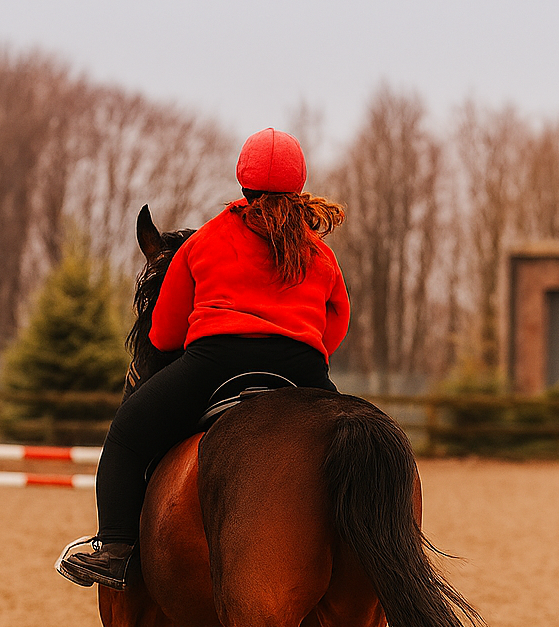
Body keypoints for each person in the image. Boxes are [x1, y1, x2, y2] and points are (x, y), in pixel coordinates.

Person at [59, 128, 350, 589]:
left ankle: (115, 550)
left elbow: (165, 332)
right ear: (299, 185)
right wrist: (300, 348)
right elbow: (335, 325)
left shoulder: (207, 241)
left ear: (243, 182)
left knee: (127, 436)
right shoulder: (320, 252)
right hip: (302, 368)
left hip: (216, 362)